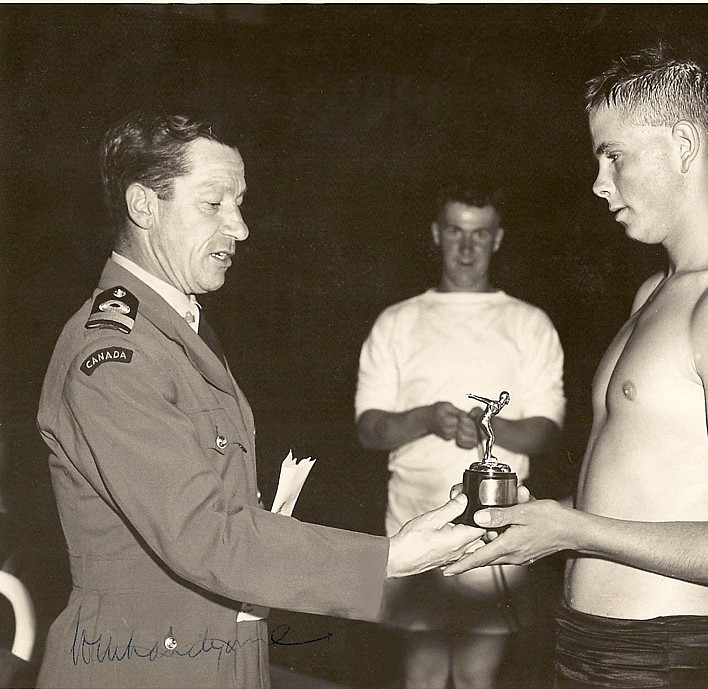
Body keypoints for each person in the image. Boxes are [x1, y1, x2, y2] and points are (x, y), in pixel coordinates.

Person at [35, 112, 486, 689]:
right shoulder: (115, 357)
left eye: (240, 203)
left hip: (216, 652)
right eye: (214, 204)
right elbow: (206, 536)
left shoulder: (173, 329)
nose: (241, 228)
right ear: (144, 206)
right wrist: (388, 559)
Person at [444, 43, 708, 689]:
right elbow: (645, 494)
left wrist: (571, 528)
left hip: (664, 659)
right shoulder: (658, 292)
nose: (598, 181)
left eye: (615, 155)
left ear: (683, 144)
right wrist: (535, 521)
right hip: (589, 644)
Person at [354, 180, 566, 689]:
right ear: (436, 234)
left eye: (480, 233)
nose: (467, 247)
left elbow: (546, 432)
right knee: (422, 676)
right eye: (455, 231)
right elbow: (368, 429)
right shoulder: (397, 321)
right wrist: (427, 418)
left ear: (497, 239)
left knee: (476, 679)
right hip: (412, 525)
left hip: (495, 532)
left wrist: (489, 427)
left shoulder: (530, 324)